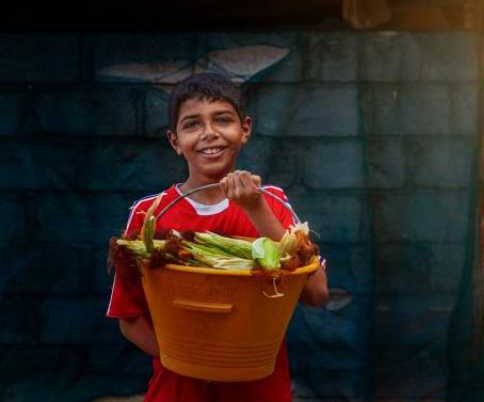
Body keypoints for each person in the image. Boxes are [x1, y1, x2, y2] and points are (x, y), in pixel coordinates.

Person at [106, 73, 329, 402]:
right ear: (174, 141)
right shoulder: (148, 214)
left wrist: (255, 209)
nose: (209, 134)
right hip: (178, 391)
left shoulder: (271, 204)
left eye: (222, 120)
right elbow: (129, 320)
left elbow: (316, 292)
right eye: (192, 124)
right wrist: (194, 363)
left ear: (245, 129)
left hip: (259, 391)